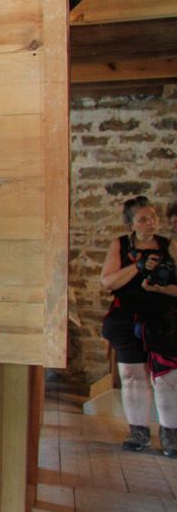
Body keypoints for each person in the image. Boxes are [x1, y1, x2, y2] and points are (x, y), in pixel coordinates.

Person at [100, 195, 177, 456]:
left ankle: (171, 435)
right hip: (127, 319)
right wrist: (139, 266)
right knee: (133, 378)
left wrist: (160, 286)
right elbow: (109, 282)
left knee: (167, 379)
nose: (150, 223)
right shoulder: (120, 245)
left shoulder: (169, 246)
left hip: (162, 321)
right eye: (143, 219)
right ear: (131, 224)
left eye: (153, 217)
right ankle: (138, 432)